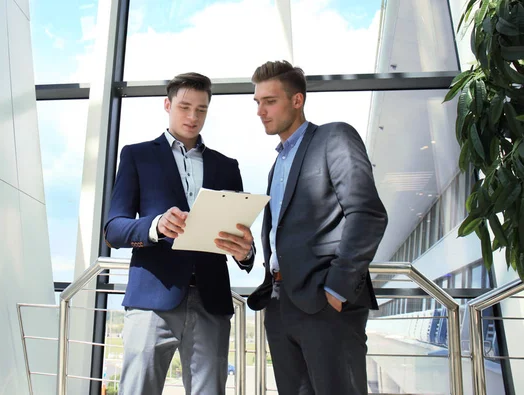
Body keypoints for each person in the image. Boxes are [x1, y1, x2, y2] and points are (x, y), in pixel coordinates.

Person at [104, 72, 255, 395]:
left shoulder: (227, 166)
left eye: (201, 109)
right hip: (151, 300)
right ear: (167, 104)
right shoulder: (137, 156)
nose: (192, 117)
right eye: (185, 107)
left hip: (211, 299)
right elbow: (113, 229)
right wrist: (155, 225)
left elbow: (239, 233)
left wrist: (246, 253)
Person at [246, 60, 388, 395]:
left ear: (297, 101)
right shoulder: (278, 163)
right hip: (281, 304)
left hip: (326, 305)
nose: (260, 112)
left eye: (270, 101)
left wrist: (336, 290)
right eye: (257, 103)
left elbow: (367, 213)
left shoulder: (333, 137)